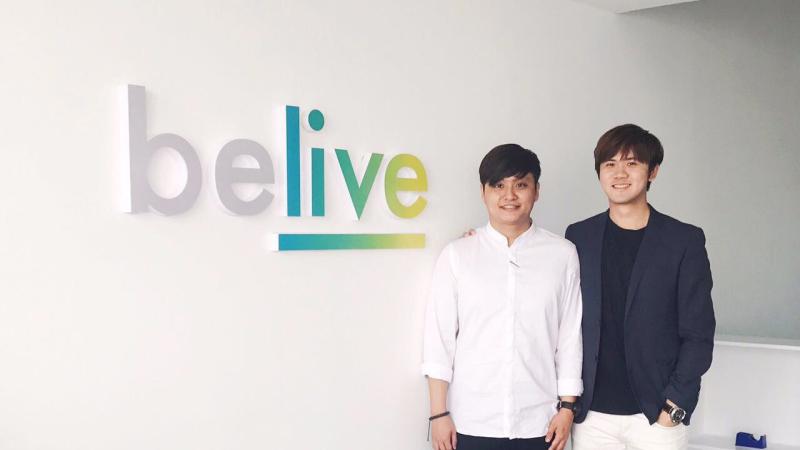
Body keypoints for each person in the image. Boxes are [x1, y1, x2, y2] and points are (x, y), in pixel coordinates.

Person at [422, 144, 583, 450]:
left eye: (520, 185)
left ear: (536, 191)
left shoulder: (562, 255)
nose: (509, 195)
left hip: (541, 422)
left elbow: (569, 338)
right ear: (483, 193)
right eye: (498, 185)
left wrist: (567, 408)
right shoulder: (458, 254)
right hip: (470, 421)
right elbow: (438, 340)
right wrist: (438, 413)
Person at [566, 124, 715, 450]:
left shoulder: (683, 241)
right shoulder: (579, 237)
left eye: (631, 163)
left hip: (655, 416)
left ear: (653, 171)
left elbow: (699, 333)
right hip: (592, 417)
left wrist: (674, 406)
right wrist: (485, 242)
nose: (619, 173)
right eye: (610, 164)